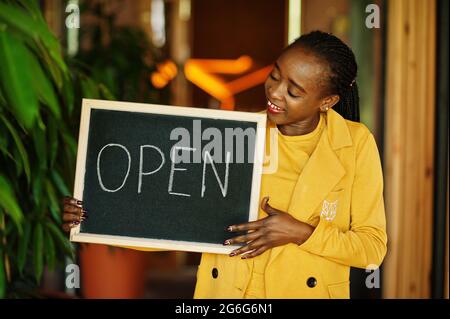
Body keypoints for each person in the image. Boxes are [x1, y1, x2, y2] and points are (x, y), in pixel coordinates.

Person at [62, 30, 387, 299]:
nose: (274, 91)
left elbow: (371, 248)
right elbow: (175, 221)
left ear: (327, 102)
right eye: (274, 75)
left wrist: (300, 233)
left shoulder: (355, 145)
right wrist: (96, 215)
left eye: (294, 91)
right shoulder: (231, 136)